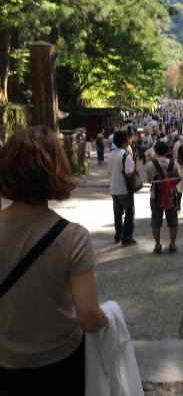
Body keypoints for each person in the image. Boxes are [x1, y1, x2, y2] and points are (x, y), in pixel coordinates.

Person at [0, 127, 106, 396]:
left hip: (5, 363)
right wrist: (109, 317)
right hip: (60, 362)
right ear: (57, 170)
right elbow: (89, 318)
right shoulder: (72, 237)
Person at [146, 140, 180, 254]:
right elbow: (177, 178)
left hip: (155, 196)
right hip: (171, 195)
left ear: (155, 151)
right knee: (173, 220)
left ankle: (158, 245)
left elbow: (149, 181)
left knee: (156, 220)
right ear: (167, 151)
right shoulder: (173, 164)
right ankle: (172, 244)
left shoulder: (150, 164)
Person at [108, 131, 136, 246]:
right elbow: (129, 173)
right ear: (125, 141)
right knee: (129, 214)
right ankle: (127, 237)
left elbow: (110, 172)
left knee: (117, 214)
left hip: (113, 188)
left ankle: (118, 234)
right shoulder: (126, 156)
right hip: (124, 189)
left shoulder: (111, 155)